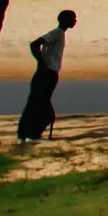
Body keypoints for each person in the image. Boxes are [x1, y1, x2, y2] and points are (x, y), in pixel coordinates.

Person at [16, 9, 77, 142]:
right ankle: (31, 133)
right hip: (47, 73)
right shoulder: (57, 33)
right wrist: (42, 62)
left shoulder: (59, 33)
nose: (75, 21)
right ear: (65, 20)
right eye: (73, 18)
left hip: (49, 73)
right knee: (39, 103)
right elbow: (35, 44)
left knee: (37, 102)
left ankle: (28, 133)